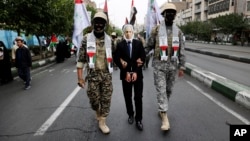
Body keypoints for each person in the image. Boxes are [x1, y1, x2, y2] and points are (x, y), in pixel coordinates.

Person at [147, 3, 186, 131]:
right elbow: (149, 46)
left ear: (175, 15)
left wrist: (182, 66)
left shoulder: (178, 32)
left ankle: (162, 109)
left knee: (168, 90)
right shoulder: (156, 30)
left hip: (172, 66)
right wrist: (140, 57)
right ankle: (164, 117)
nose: (170, 14)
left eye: (172, 12)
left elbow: (182, 50)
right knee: (161, 90)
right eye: (167, 12)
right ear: (163, 14)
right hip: (159, 65)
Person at [76, 12, 113, 134]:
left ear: (104, 25)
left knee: (106, 100)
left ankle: (102, 121)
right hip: (92, 76)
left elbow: (117, 55)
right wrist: (80, 78)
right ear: (93, 24)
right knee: (94, 101)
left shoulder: (110, 40)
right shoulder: (86, 39)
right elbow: (81, 59)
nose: (98, 25)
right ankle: (97, 111)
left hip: (107, 75)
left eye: (101, 23)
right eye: (96, 22)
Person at [114, 24, 146, 131]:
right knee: (127, 97)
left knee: (138, 97)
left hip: (138, 76)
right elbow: (116, 58)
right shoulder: (120, 45)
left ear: (133, 33)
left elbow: (143, 57)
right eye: (126, 32)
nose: (128, 33)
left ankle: (139, 119)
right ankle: (131, 115)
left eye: (130, 31)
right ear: (124, 33)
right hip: (125, 76)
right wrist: (125, 69)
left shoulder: (138, 44)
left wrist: (136, 71)